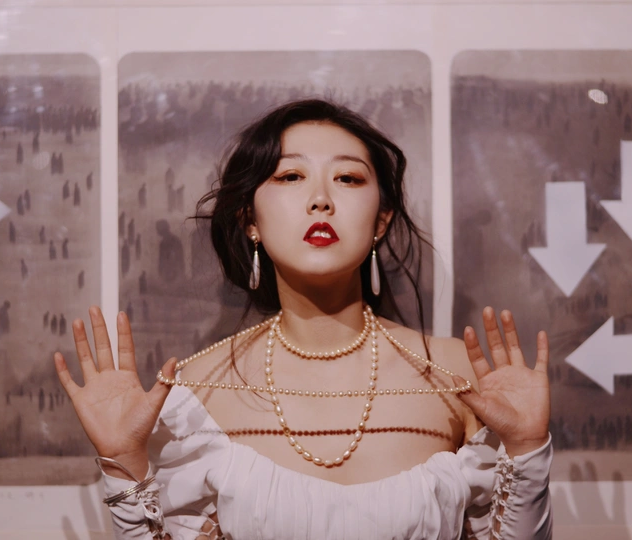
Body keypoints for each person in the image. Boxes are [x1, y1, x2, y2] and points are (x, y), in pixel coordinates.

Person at [55, 99, 553, 539]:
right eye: (290, 176)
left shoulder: (456, 374)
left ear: (381, 221)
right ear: (250, 219)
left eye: (348, 178)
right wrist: (125, 464)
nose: (321, 199)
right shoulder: (196, 392)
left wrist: (528, 449)